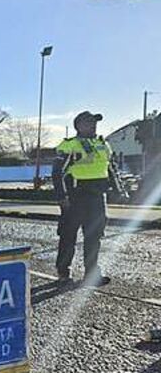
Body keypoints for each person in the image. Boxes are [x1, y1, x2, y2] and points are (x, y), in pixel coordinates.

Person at [52, 111, 127, 287]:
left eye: (94, 122)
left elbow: (111, 169)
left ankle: (92, 274)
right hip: (75, 197)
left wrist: (119, 190)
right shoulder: (69, 145)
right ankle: (63, 274)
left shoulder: (103, 145)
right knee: (68, 237)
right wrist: (62, 197)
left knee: (94, 237)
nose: (93, 125)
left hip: (97, 198)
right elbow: (57, 173)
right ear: (78, 125)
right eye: (88, 122)